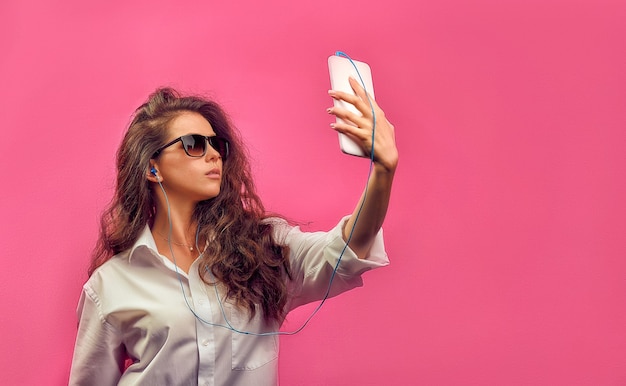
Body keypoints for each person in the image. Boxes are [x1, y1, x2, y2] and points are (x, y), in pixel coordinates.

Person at [69, 77, 398, 385]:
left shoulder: (262, 252)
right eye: (193, 144)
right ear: (152, 167)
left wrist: (383, 171)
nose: (213, 155)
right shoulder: (111, 284)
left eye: (218, 145)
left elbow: (345, 250)